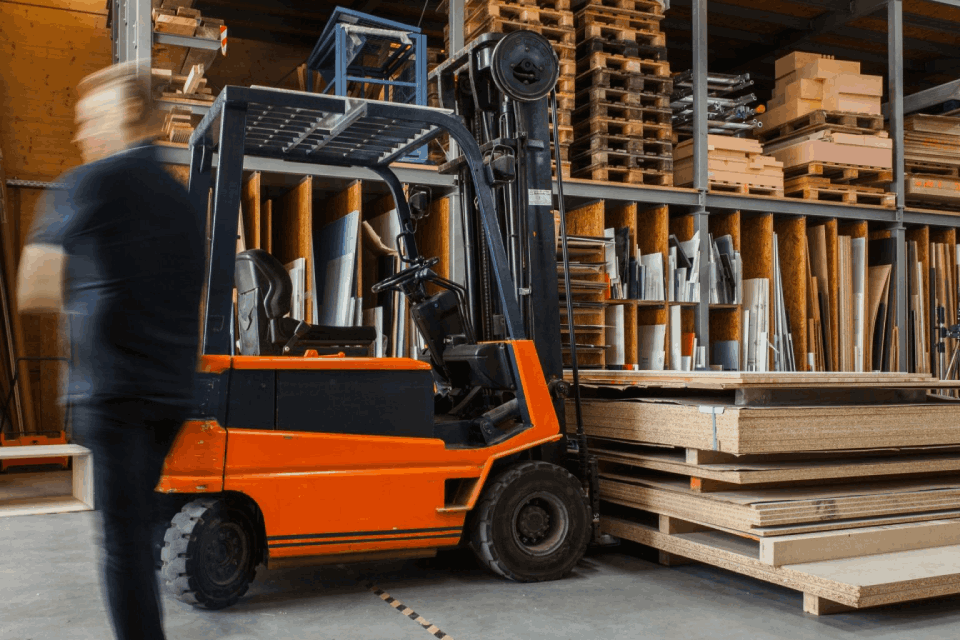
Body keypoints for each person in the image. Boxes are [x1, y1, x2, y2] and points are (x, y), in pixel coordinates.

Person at [17, 62, 205, 640]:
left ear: (126, 112)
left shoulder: (90, 182)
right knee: (137, 527)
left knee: (122, 545)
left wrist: (96, 286)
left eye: (88, 119)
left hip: (114, 391)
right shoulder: (183, 205)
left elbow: (34, 287)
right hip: (171, 393)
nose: (80, 134)